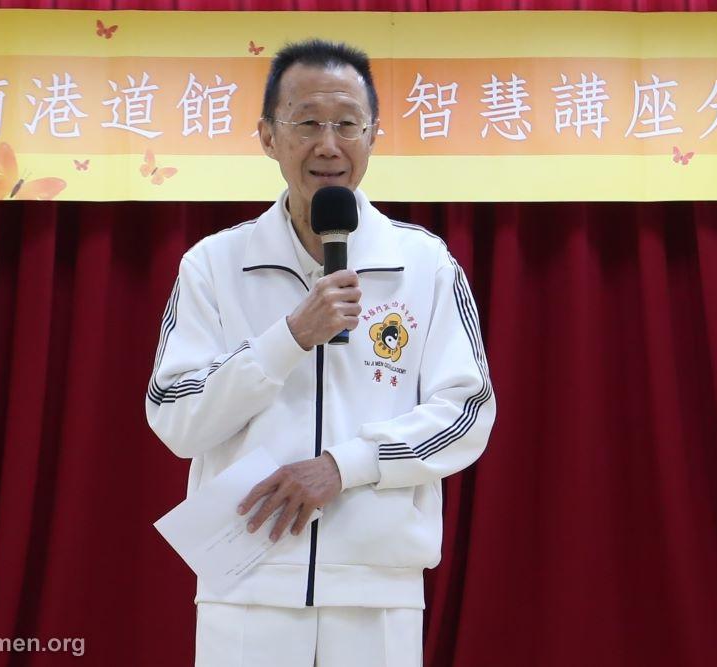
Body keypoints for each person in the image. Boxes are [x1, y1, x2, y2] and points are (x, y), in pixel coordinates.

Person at [145, 39, 495, 667]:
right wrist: (288, 339)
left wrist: (346, 464)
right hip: (246, 585)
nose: (328, 145)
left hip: (376, 590)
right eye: (306, 123)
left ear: (373, 134)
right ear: (268, 136)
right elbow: (175, 417)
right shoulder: (214, 264)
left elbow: (467, 414)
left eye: (347, 124)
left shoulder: (424, 263)